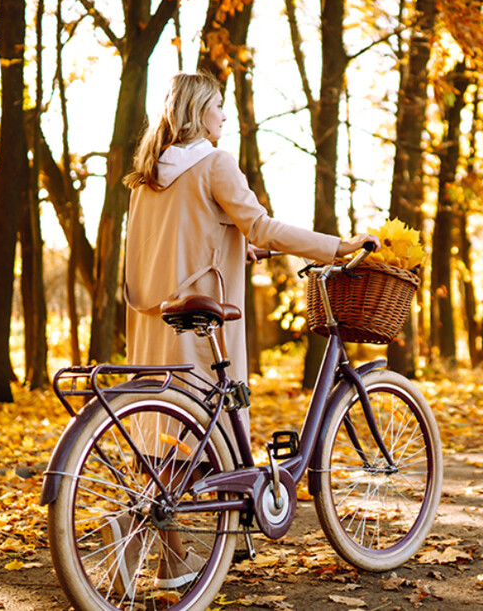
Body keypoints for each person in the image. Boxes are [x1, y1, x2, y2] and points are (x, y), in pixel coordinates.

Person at [115, 72, 378, 593]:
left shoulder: (149, 176)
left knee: (166, 436)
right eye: (217, 106)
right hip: (201, 320)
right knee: (198, 433)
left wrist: (239, 248)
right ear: (196, 112)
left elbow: (180, 238)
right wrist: (337, 245)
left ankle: (172, 556)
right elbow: (260, 225)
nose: (224, 116)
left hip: (152, 318)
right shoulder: (215, 163)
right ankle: (137, 532)